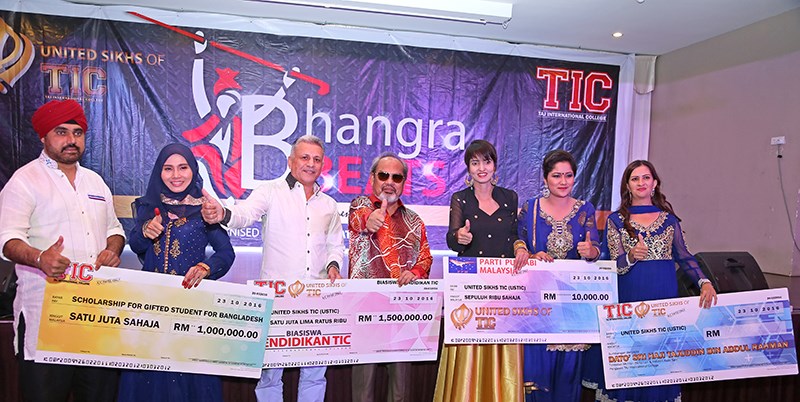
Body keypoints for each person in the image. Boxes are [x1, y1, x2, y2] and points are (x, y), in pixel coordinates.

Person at [201, 135, 344, 402]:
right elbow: (244, 214)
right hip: (277, 298)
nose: (311, 164)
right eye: (304, 157)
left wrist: (334, 264)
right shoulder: (270, 191)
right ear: (290, 161)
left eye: (316, 159)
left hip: (316, 298)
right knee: (269, 374)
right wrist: (224, 214)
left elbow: (335, 244)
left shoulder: (329, 205)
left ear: (322, 164)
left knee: (315, 372)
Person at [0, 99, 125, 401]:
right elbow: (7, 239)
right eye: (61, 132)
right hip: (47, 317)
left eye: (77, 132)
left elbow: (115, 229)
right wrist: (39, 258)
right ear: (43, 137)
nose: (71, 140)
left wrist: (112, 249)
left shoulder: (95, 181)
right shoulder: (24, 180)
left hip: (96, 315)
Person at [583, 160, 718, 402]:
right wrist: (631, 256)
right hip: (629, 298)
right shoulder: (616, 220)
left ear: (655, 183)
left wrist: (704, 282)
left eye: (646, 177)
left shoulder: (669, 220)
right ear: (627, 185)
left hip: (662, 299)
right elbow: (611, 265)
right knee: (629, 360)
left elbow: (684, 256)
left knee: (659, 359)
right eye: (635, 179)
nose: (641, 183)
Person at [117, 143, 235, 402]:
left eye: (183, 168)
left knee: (189, 376)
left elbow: (226, 253)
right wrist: (145, 231)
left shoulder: (204, 209)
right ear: (159, 172)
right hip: (150, 307)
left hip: (191, 307)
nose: (176, 175)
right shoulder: (148, 206)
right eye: (168, 168)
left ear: (193, 170)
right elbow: (136, 245)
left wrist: (206, 267)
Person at [434, 139, 528, 402]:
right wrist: (459, 237)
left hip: (504, 287)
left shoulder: (509, 197)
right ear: (468, 168)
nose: (482, 168)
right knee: (470, 353)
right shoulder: (460, 199)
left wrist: (520, 247)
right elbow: (452, 239)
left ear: (495, 165)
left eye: (486, 161)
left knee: (502, 349)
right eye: (475, 163)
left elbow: (514, 235)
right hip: (470, 288)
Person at [517, 149, 600, 402]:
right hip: (537, 303)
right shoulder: (530, 208)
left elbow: (597, 248)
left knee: (568, 374)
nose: (563, 181)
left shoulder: (585, 209)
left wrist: (591, 252)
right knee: (537, 374)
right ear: (545, 179)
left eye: (568, 175)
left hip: (572, 305)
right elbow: (518, 242)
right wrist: (531, 254)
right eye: (556, 176)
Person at [348, 152, 432, 402]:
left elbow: (426, 258)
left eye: (396, 177)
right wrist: (371, 220)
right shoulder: (359, 205)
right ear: (372, 178)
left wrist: (415, 273)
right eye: (383, 175)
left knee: (400, 392)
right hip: (365, 312)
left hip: (402, 313)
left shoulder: (414, 220)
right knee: (363, 391)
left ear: (403, 182)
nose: (389, 182)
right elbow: (360, 219)